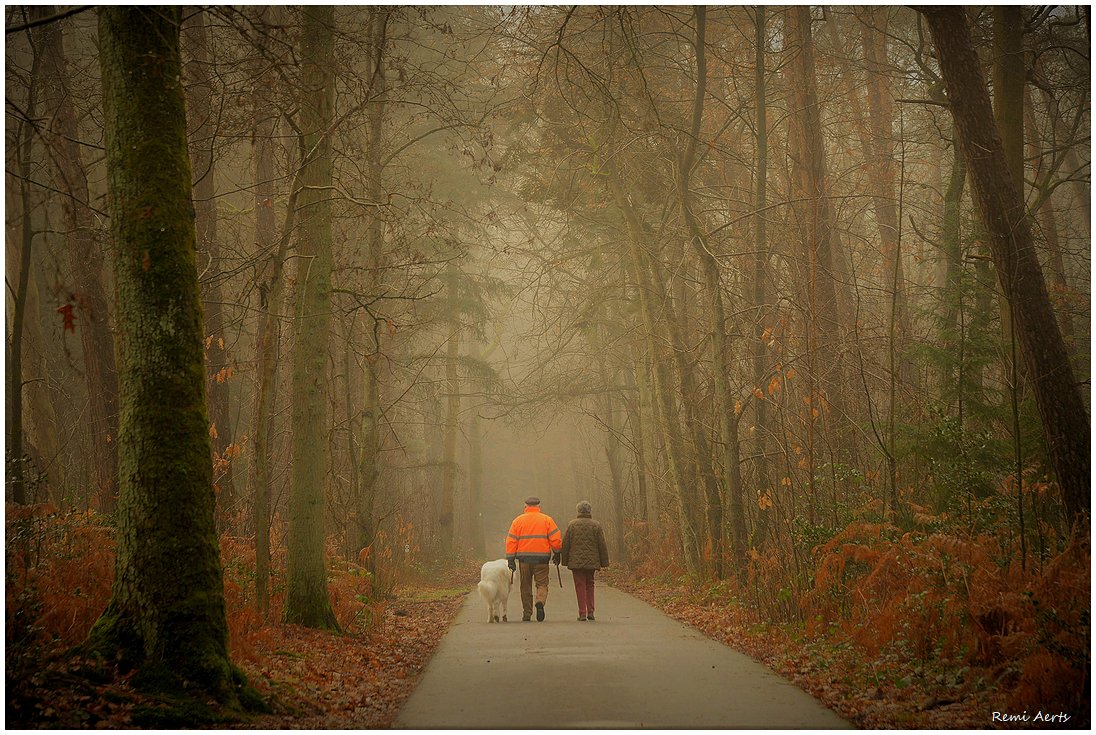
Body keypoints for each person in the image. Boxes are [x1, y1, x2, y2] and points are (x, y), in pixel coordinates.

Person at [505, 496, 562, 622]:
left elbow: (511, 541)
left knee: (525, 586)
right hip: (542, 560)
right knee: (542, 584)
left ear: (525, 507)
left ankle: (527, 613)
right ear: (539, 507)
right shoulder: (547, 520)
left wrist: (510, 559)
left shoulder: (517, 521)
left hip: (524, 560)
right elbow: (556, 539)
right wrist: (557, 553)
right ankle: (540, 601)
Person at [560, 500, 609, 621]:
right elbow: (601, 544)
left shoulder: (572, 525)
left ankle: (582, 613)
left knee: (579, 585)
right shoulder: (596, 525)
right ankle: (591, 611)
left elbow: (566, 544)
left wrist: (564, 560)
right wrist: (604, 562)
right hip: (592, 561)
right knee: (590, 583)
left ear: (578, 511)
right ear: (589, 511)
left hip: (576, 561)